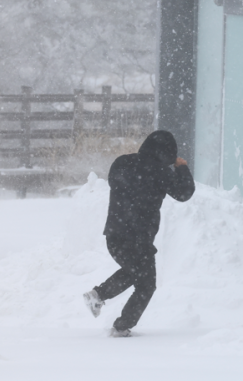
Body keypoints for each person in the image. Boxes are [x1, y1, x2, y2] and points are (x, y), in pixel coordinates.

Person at [83, 130, 195, 337]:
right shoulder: (160, 172)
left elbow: (120, 183)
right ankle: (121, 327)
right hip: (138, 239)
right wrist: (182, 168)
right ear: (166, 153)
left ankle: (98, 295)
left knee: (134, 272)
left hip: (114, 236)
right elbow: (184, 193)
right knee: (146, 284)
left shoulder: (121, 163)